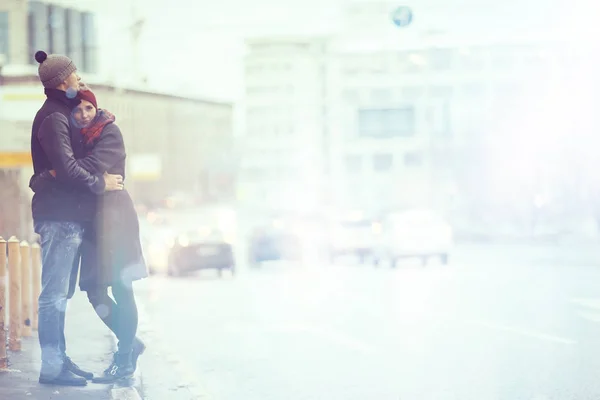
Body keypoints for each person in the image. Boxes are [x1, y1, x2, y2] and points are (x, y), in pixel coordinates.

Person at [31, 86, 148, 383]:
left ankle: (124, 359)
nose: (83, 114)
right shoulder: (78, 138)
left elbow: (88, 168)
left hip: (117, 217)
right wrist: (58, 173)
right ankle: (130, 342)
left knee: (123, 287)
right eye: (77, 110)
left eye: (88, 108)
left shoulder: (109, 133)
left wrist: (52, 175)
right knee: (94, 290)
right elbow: (75, 170)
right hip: (93, 222)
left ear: (97, 109)